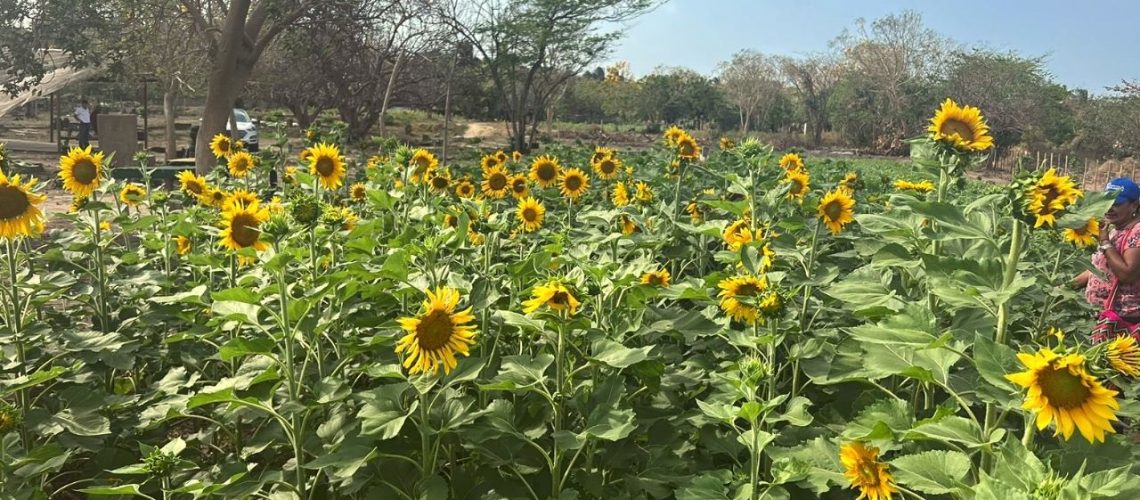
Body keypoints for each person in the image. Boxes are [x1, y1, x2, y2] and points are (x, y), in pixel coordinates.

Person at [1076, 177, 1140, 340]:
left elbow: (1127, 274)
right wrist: (1063, 288)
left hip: (1124, 319)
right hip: (1103, 315)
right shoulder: (1115, 230)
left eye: (1116, 204)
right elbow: (1100, 270)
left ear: (1134, 205)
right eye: (1106, 202)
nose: (1109, 208)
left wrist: (1104, 242)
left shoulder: (1137, 231)